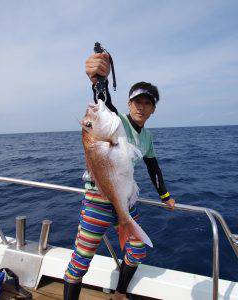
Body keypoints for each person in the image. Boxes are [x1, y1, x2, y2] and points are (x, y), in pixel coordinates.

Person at [63, 52, 176, 300]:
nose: (140, 106)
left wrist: (165, 195)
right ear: (128, 104)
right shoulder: (116, 123)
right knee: (81, 260)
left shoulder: (146, 138)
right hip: (97, 201)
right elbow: (103, 102)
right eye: (136, 101)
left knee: (136, 250)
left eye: (147, 103)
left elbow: (153, 167)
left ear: (153, 109)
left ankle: (120, 293)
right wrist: (98, 80)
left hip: (124, 202)